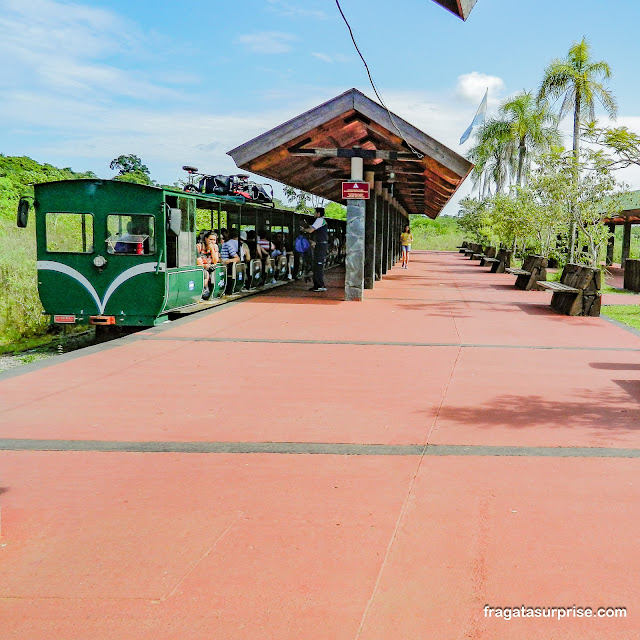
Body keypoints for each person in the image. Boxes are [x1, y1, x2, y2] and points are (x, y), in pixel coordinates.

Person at [301, 207, 328, 291]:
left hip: (321, 245)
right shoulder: (321, 221)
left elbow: (310, 230)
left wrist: (303, 229)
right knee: (317, 265)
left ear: (319, 213)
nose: (314, 214)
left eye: (315, 212)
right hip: (320, 244)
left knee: (318, 265)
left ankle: (319, 285)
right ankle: (318, 284)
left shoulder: (320, 220)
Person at [197, 231, 219, 297]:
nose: (212, 242)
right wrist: (205, 265)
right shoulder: (199, 246)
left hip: (210, 267)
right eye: (210, 239)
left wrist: (212, 250)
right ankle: (204, 290)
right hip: (201, 268)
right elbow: (199, 263)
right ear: (206, 239)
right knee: (205, 273)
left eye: (214, 240)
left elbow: (215, 261)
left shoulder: (215, 247)